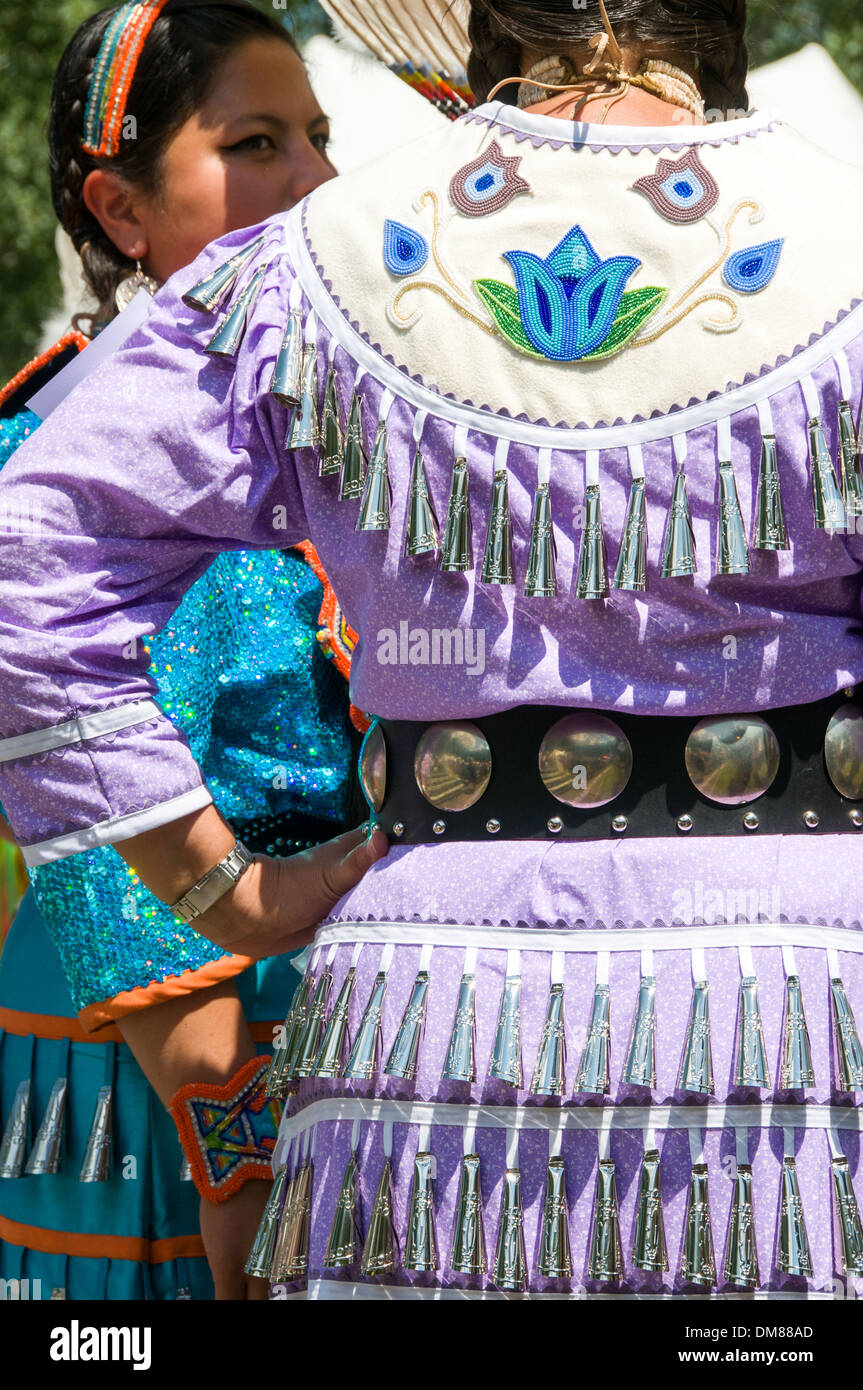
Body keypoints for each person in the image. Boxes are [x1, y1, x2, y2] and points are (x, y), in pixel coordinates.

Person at [1, 0, 863, 1299]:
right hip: (791, 1015)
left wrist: (219, 890)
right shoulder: (843, 235)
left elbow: (32, 561)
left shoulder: (307, 267)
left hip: (433, 1041)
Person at [0, 0, 364, 1301]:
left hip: (322, 1016)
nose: (315, 181)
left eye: (318, 137)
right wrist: (234, 1137)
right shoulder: (90, 448)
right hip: (189, 1055)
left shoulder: (312, 414)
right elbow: (92, 808)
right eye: (256, 143)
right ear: (120, 210)